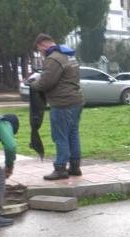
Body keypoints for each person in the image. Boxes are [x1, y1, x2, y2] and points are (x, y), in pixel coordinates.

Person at [30, 33, 84, 181]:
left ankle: (60, 168)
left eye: (39, 49)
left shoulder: (53, 59)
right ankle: (75, 166)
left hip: (62, 103)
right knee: (73, 134)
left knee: (60, 136)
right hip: (76, 101)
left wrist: (33, 84)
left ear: (42, 45)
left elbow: (46, 82)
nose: (40, 52)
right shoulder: (69, 56)